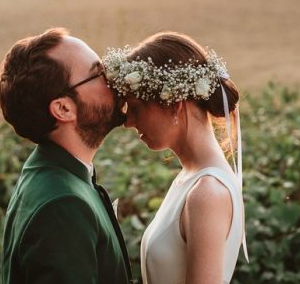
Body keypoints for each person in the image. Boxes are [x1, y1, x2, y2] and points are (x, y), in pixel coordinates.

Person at [102, 31, 249, 284]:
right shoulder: (191, 179)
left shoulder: (208, 193)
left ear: (173, 104)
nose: (128, 122)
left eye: (135, 107)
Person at [0, 28, 132, 283]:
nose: (114, 78)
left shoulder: (55, 173)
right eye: (98, 74)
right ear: (63, 108)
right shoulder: (63, 205)